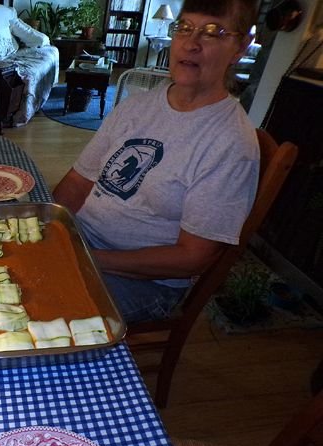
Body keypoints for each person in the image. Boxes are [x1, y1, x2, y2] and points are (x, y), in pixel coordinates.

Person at [53, 0, 260, 324]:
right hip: (83, 240)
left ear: (240, 47)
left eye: (212, 32)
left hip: (145, 284)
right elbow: (79, 181)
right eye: (185, 27)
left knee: (36, 312)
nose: (191, 44)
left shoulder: (231, 144)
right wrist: (50, 229)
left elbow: (193, 258)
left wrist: (86, 258)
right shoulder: (136, 106)